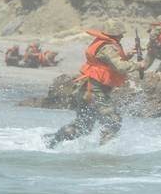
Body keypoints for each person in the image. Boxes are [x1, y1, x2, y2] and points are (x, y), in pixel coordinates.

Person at [44, 20, 146, 148]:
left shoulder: (103, 44)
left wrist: (128, 55)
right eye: (121, 33)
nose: (122, 36)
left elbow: (110, 64)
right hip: (94, 91)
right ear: (115, 34)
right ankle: (104, 152)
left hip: (87, 90)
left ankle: (52, 141)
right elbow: (120, 67)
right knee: (113, 121)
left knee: (83, 127)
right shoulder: (108, 47)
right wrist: (139, 65)